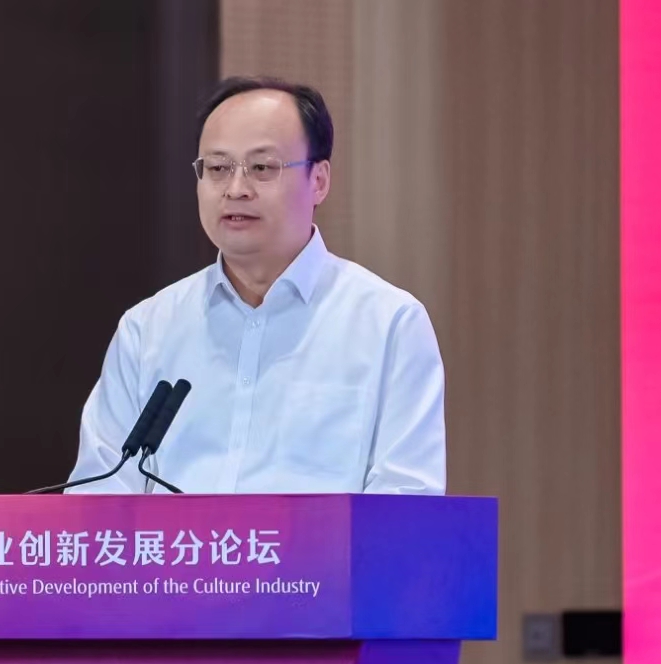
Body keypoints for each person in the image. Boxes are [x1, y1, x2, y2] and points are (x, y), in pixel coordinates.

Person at [65, 76, 445, 495]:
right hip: (174, 543)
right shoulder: (147, 329)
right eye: (218, 168)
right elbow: (97, 496)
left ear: (319, 180)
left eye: (262, 168)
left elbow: (409, 502)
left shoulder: (390, 324)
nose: (236, 189)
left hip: (327, 543)